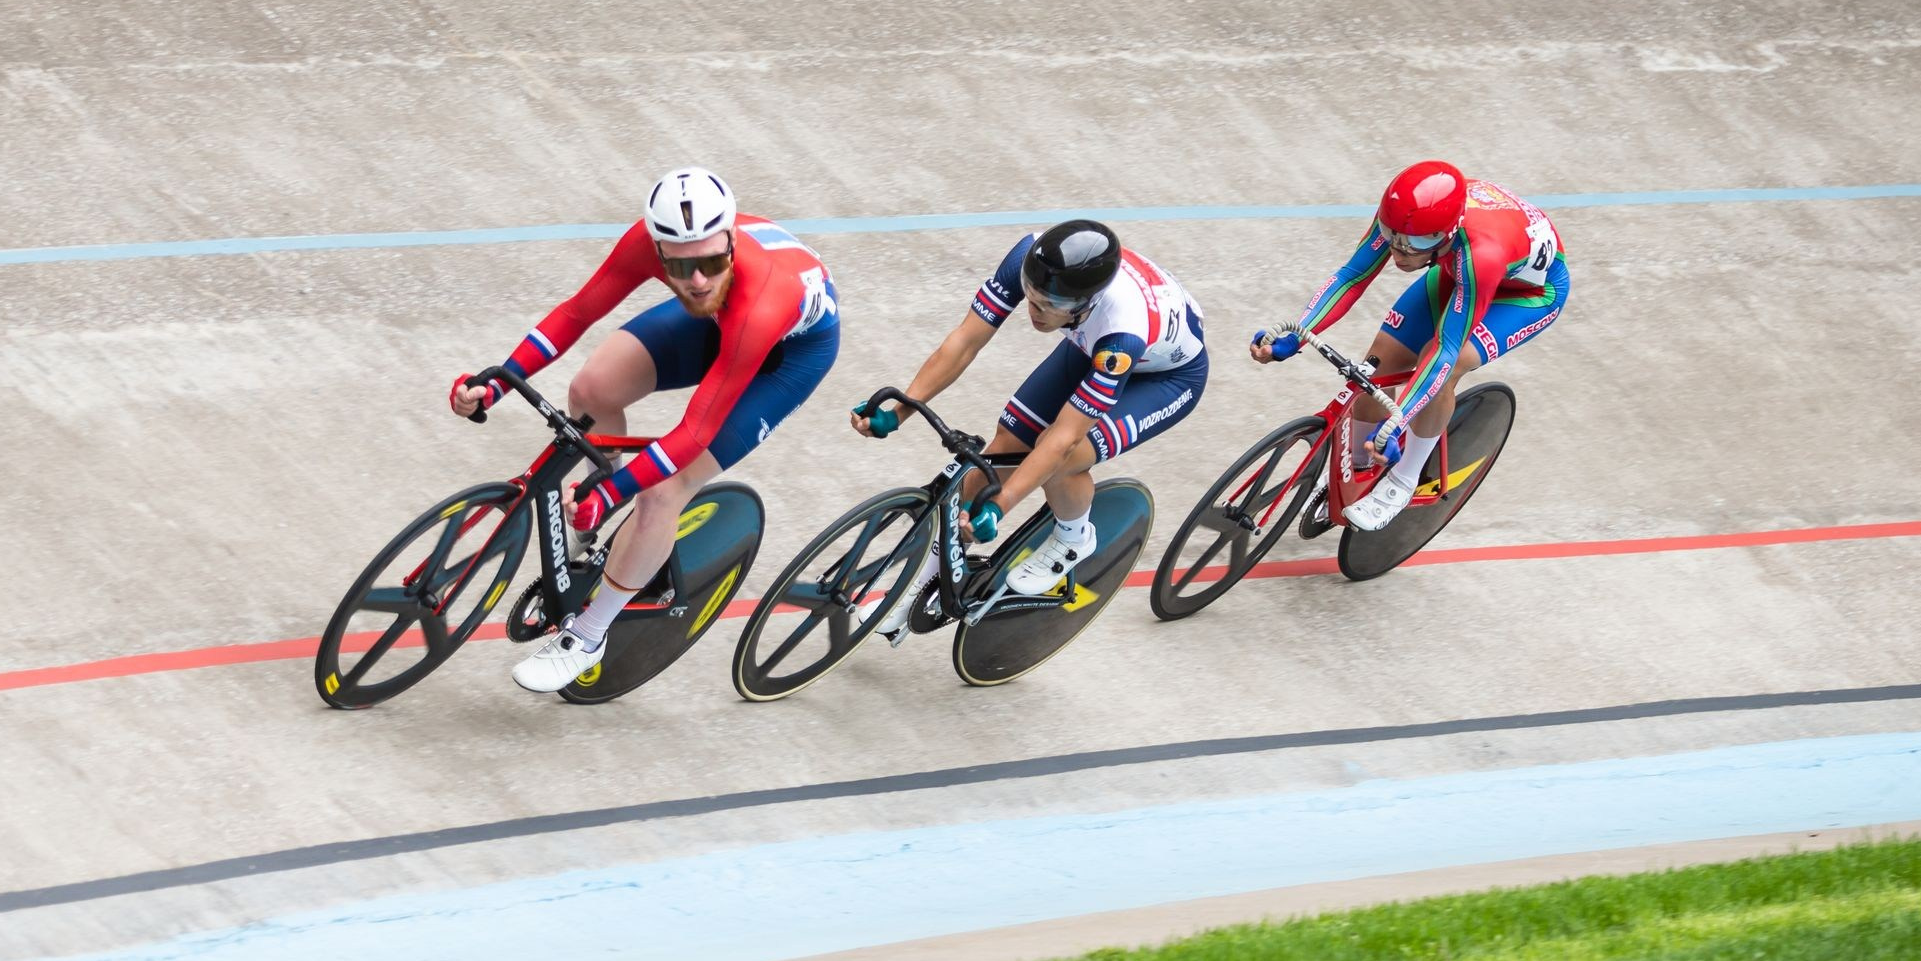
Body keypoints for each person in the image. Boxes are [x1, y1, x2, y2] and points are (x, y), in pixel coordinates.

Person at [452, 168, 839, 693]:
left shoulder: (760, 297)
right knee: (591, 390)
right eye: (681, 266)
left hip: (786, 351)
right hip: (720, 320)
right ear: (658, 251)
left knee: (662, 488)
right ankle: (598, 524)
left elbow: (695, 431)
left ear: (730, 240)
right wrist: (498, 381)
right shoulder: (655, 246)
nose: (697, 279)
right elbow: (576, 312)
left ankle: (588, 635)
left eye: (711, 261)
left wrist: (615, 487)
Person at [855, 219, 1208, 640]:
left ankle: (1073, 537)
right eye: (1031, 297)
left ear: (1084, 304)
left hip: (1166, 378)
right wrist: (900, 411)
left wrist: (999, 507)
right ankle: (916, 588)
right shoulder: (1032, 255)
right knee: (1003, 449)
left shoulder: (1121, 334)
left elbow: (1063, 439)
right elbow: (965, 341)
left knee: (1059, 460)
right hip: (1088, 346)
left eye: (1047, 307)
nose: (1033, 312)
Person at [1252, 161, 1569, 530]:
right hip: (1454, 268)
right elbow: (1352, 276)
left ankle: (1403, 481)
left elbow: (1445, 349)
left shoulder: (1480, 255)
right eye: (1392, 237)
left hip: (1524, 295)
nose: (1400, 253)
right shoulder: (1405, 218)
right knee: (1377, 366)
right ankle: (1359, 465)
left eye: (1415, 244)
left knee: (1445, 365)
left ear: (1446, 233)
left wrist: (1398, 420)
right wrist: (1299, 331)